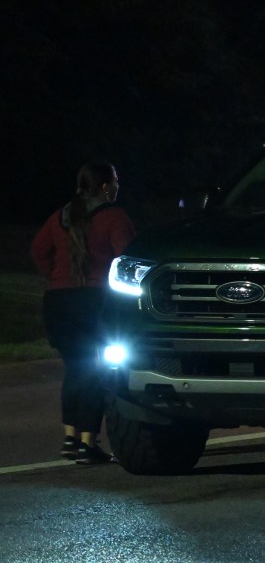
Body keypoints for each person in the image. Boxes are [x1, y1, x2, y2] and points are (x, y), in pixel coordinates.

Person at [30, 162, 135, 464]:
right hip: (95, 302)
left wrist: (57, 278)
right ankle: (89, 444)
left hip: (59, 302)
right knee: (95, 371)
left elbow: (38, 250)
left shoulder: (60, 216)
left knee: (75, 370)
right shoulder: (115, 217)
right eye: (115, 181)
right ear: (104, 187)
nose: (117, 186)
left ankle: (70, 438)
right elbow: (126, 257)